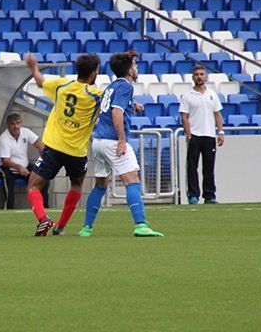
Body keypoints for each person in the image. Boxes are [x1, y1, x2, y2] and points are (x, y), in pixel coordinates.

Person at [79, 52, 163, 238]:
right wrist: (122, 140)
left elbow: (110, 107)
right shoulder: (126, 86)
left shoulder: (111, 86)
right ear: (130, 70)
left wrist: (134, 105)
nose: (136, 68)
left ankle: (86, 228)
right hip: (112, 141)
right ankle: (141, 225)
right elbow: (116, 112)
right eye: (135, 64)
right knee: (132, 180)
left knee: (100, 184)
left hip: (98, 141)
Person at [24, 53, 103, 236]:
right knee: (76, 185)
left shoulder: (62, 85)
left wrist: (34, 66)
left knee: (34, 186)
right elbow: (115, 102)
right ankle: (60, 227)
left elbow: (39, 81)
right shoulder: (97, 96)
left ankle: (43, 219)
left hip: (53, 147)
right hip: (77, 151)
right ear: (93, 74)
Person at [179, 65, 225, 205]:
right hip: (195, 136)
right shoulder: (187, 96)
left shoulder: (212, 94)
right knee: (192, 167)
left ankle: (209, 195)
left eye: (201, 74)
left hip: (209, 136)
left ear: (206, 77)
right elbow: (184, 117)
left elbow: (217, 114)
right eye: (197, 74)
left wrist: (221, 132)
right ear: (193, 77)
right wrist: (189, 135)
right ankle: (193, 195)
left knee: (209, 167)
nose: (199, 76)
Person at [0, 113, 47, 210]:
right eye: (12, 124)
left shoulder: (25, 132)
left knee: (42, 177)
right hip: (5, 167)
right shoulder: (4, 137)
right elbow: (5, 160)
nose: (16, 126)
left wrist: (43, 156)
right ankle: (8, 211)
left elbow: (39, 144)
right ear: (8, 125)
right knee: (8, 188)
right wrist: (19, 167)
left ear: (21, 124)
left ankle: (44, 208)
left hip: (24, 166)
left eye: (18, 123)